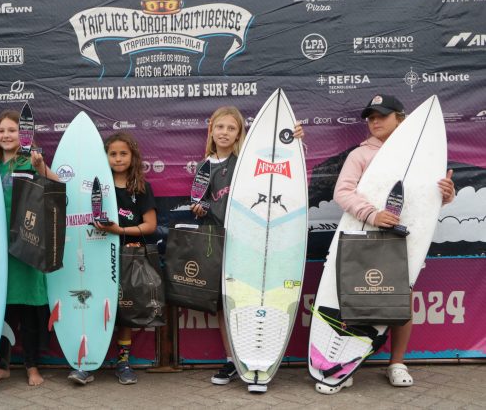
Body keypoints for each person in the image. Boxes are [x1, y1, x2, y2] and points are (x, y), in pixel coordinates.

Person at [316, 94, 455, 394]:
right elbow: (343, 192)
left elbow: (421, 203)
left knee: (399, 300)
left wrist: (444, 195)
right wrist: (372, 214)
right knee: (354, 297)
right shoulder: (361, 155)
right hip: (363, 237)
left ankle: (397, 363)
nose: (374, 121)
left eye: (382, 115)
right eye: (370, 117)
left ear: (401, 119)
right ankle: (346, 362)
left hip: (401, 241)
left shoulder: (424, 157)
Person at [190, 106, 303, 386]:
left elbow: (282, 167)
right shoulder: (205, 166)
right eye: (220, 127)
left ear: (240, 133)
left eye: (231, 128)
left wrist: (295, 138)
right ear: (211, 130)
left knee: (254, 296)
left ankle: (257, 355)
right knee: (227, 303)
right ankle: (233, 360)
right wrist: (199, 209)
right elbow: (199, 203)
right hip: (220, 243)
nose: (224, 133)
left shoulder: (248, 163)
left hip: (252, 243)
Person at [67, 132, 157, 386]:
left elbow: (150, 225)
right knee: (95, 308)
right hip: (96, 257)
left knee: (125, 311)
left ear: (133, 156)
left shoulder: (141, 188)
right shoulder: (92, 185)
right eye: (113, 154)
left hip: (129, 258)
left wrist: (120, 231)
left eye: (123, 153)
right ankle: (88, 363)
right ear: (104, 156)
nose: (118, 159)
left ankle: (123, 363)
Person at [0, 109, 59, 387]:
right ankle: (1, 366)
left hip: (28, 246)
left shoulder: (30, 160)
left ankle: (32, 366)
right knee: (0, 310)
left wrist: (40, 166)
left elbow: (57, 185)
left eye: (13, 130)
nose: (6, 135)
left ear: (24, 135)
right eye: (1, 131)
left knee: (30, 309)